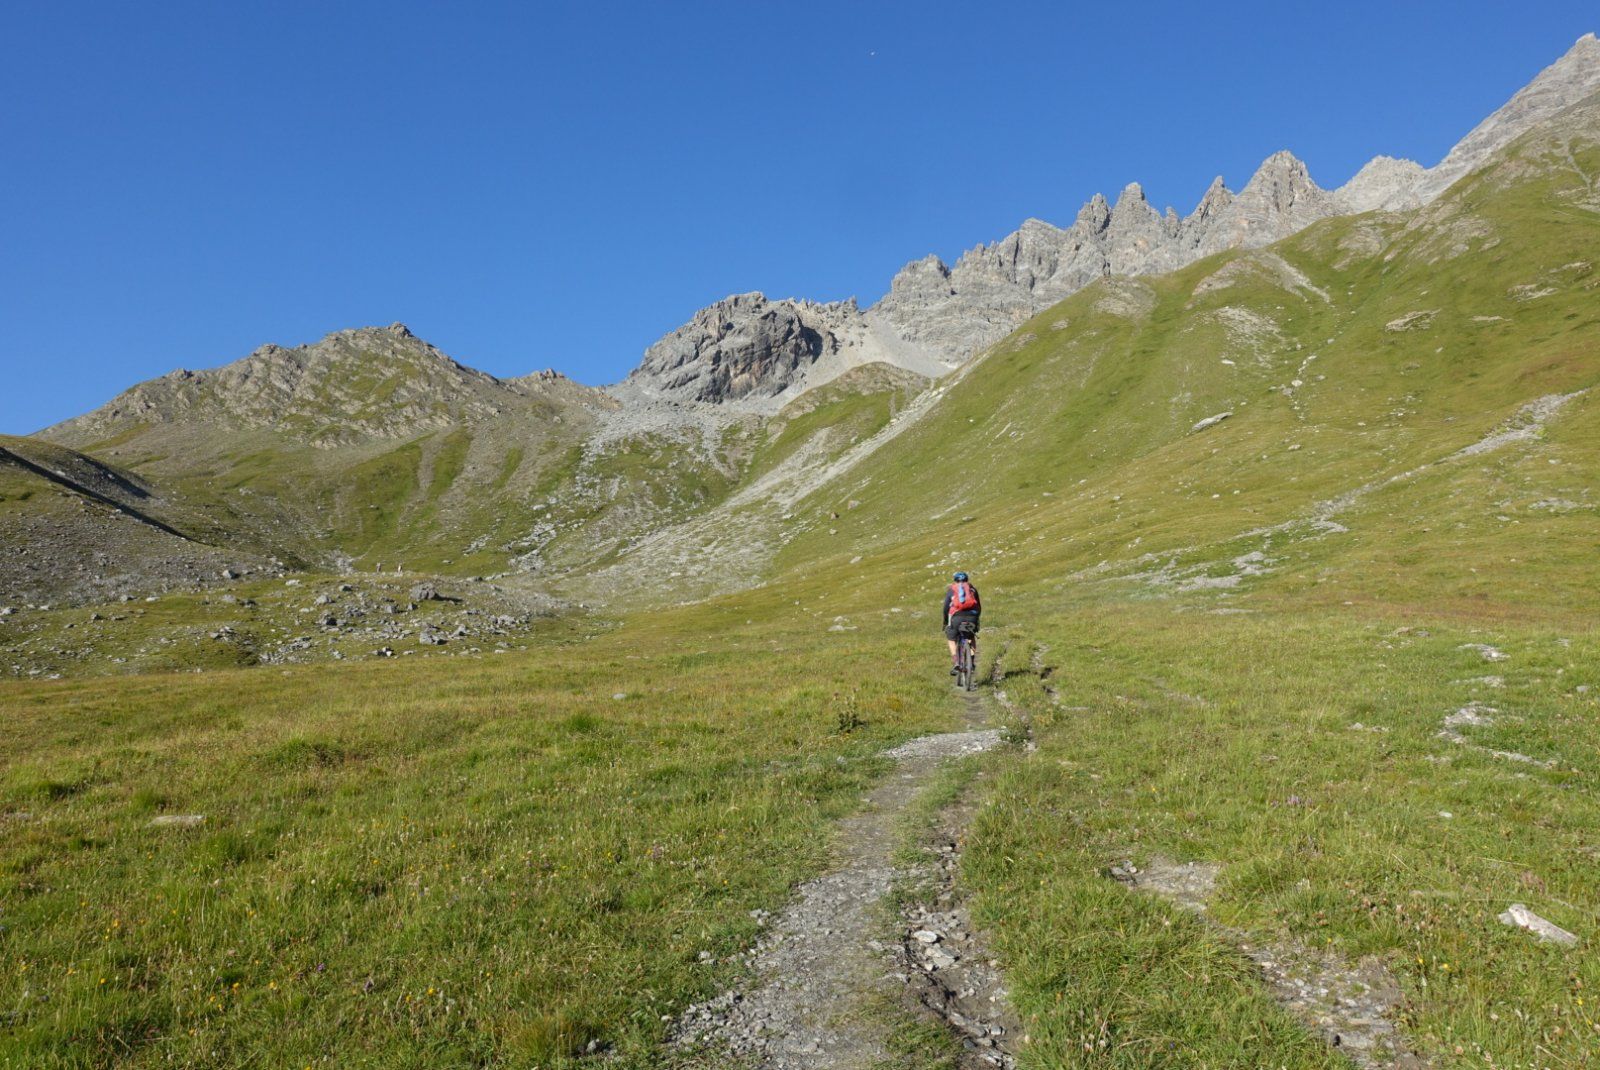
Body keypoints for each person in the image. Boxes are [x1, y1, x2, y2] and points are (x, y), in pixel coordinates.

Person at [942, 571, 981, 675]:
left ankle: (956, 663)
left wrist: (945, 622)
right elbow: (978, 606)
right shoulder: (972, 589)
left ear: (955, 581)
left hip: (956, 617)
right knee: (971, 636)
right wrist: (977, 620)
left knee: (951, 639)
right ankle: (971, 663)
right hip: (972, 617)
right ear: (967, 580)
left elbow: (946, 608)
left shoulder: (952, 590)